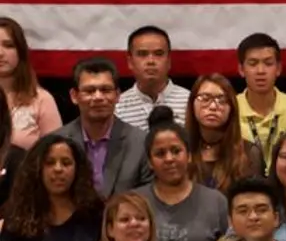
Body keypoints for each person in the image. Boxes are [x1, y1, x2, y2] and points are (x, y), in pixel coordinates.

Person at [137, 111, 228, 241]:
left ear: (189, 155)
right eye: (160, 153)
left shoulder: (216, 202)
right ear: (149, 162)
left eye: (176, 151)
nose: (169, 159)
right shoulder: (135, 202)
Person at [57, 58, 151, 197]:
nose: (98, 97)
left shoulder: (141, 143)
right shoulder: (57, 141)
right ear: (74, 96)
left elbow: (148, 197)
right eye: (89, 91)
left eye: (105, 90)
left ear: (117, 95)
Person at [236, 33, 286, 171]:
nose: (261, 71)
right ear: (241, 69)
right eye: (253, 64)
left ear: (278, 69)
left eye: (268, 63)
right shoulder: (231, 107)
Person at [188, 74, 262, 192]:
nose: (213, 106)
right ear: (192, 104)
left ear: (232, 108)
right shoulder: (181, 150)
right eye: (205, 98)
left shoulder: (249, 152)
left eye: (221, 100)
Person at [0, 17, 60, 151]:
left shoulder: (42, 99)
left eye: (8, 45)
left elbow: (55, 153)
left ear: (20, 51)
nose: (0, 53)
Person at [115, 26, 190, 131]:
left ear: (169, 60)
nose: (151, 61)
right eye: (142, 54)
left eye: (158, 54)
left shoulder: (190, 102)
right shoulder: (117, 108)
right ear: (130, 62)